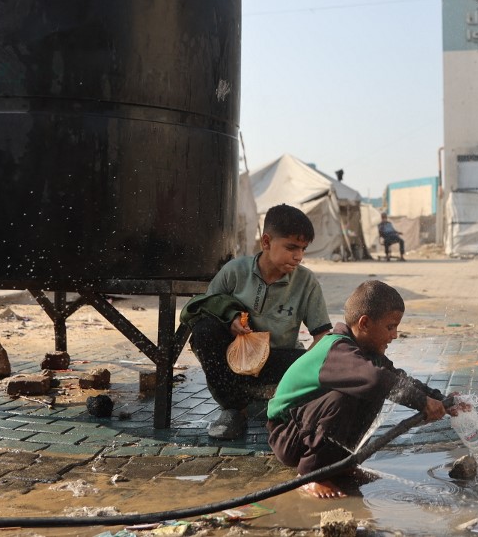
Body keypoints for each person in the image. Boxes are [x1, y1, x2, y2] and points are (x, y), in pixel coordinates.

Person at [266, 280, 450, 498]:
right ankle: (312, 473)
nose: (395, 335)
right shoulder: (336, 349)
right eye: (390, 327)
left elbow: (397, 379)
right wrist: (421, 402)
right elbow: (376, 379)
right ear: (364, 323)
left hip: (304, 428)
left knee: (382, 385)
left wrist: (442, 400)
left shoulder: (367, 354)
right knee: (358, 391)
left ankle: (342, 464)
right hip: (288, 435)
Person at [181, 204, 332, 440]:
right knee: (203, 331)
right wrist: (230, 319)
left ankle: (279, 399)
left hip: (278, 360)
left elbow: (323, 336)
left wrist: (303, 374)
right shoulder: (235, 271)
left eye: (303, 249)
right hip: (235, 360)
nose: (299, 257)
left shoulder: (306, 282)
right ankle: (234, 411)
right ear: (266, 242)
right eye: (291, 247)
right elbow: (202, 309)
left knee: (330, 361)